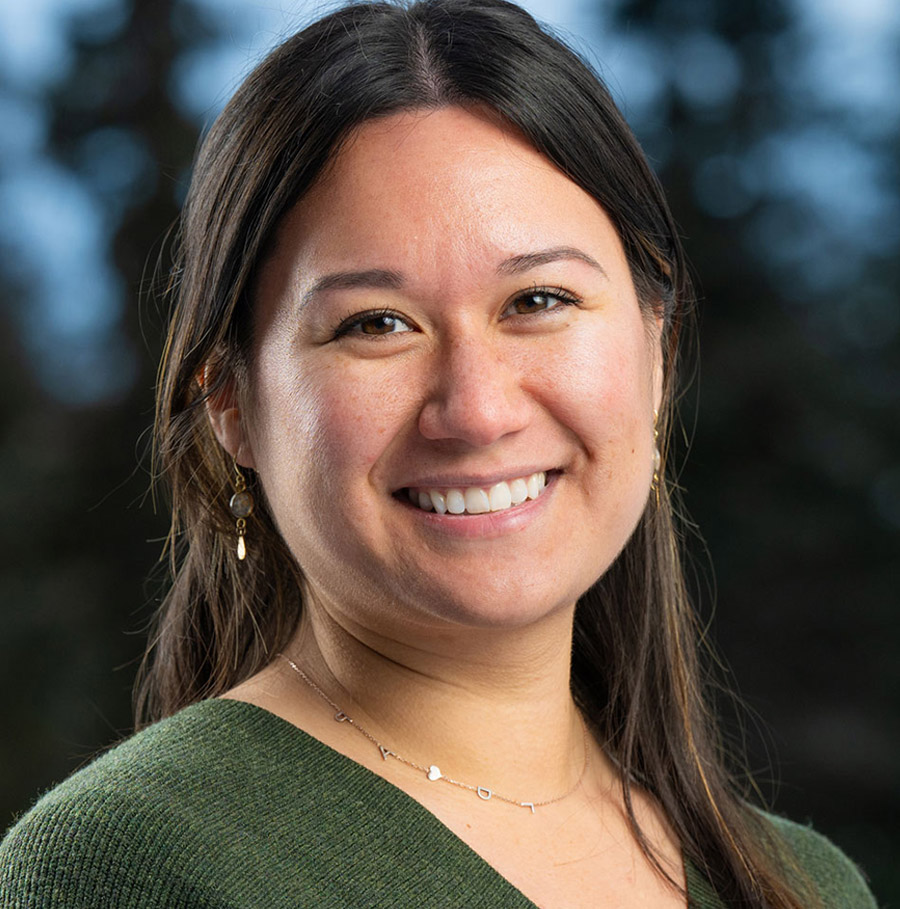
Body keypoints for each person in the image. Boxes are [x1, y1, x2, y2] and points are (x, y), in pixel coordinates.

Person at [0, 1, 879, 906]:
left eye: (538, 301)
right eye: (376, 324)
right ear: (229, 401)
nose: (477, 409)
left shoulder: (802, 883)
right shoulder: (129, 866)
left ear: (656, 346)